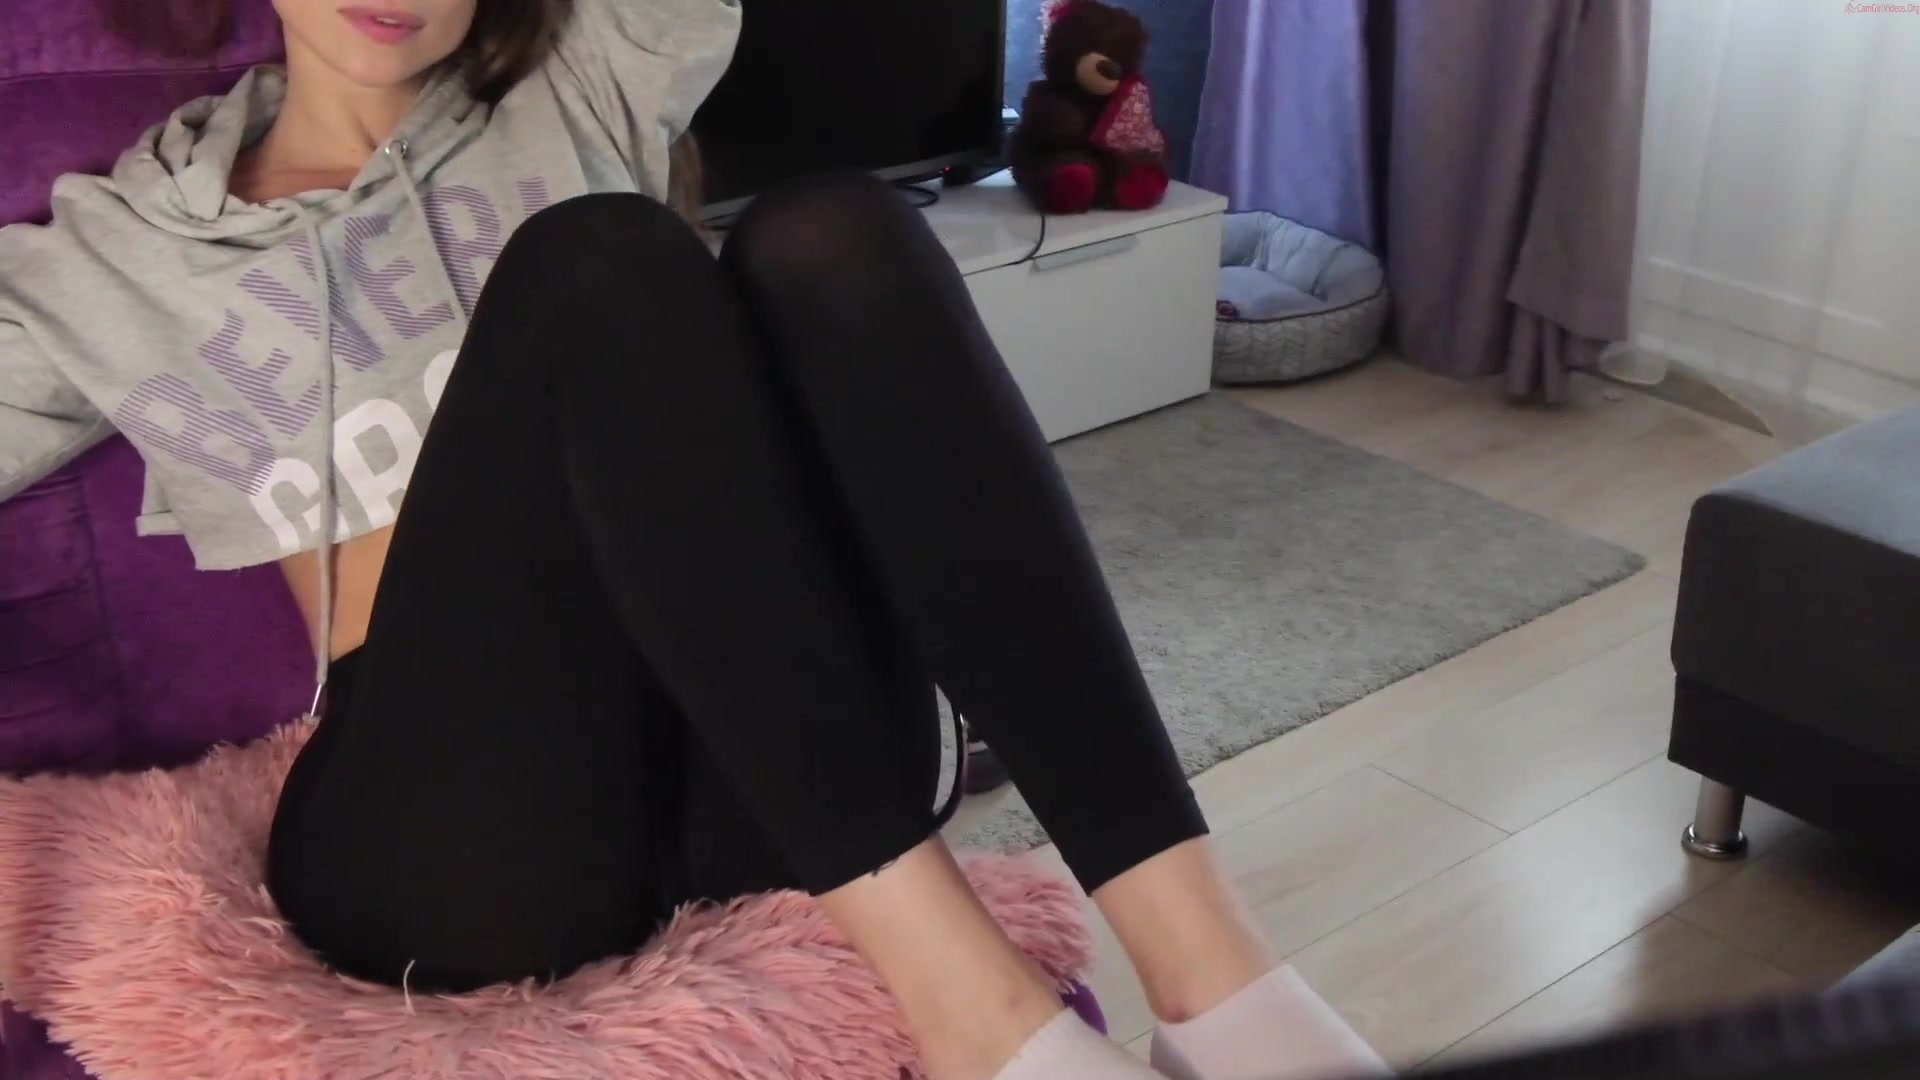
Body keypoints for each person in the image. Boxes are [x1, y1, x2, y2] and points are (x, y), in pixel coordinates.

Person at [0, 2, 1387, 1078]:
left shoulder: (584, 79)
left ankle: (1224, 989)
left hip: (763, 766)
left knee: (833, 231)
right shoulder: (118, 249)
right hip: (457, 844)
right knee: (596, 258)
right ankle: (970, 1009)